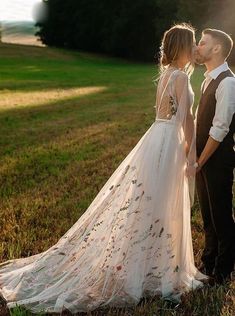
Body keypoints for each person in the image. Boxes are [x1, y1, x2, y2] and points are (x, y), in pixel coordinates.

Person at [0, 24, 206, 314]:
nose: (195, 48)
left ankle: (146, 267)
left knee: (151, 206)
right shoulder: (181, 78)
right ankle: (160, 273)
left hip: (156, 139)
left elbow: (164, 114)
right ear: (182, 46)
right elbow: (186, 121)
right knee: (163, 206)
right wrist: (190, 156)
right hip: (169, 142)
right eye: (192, 43)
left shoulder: (165, 75)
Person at [195, 28, 235, 284]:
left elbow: (219, 130)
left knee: (221, 214)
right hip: (203, 158)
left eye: (202, 43)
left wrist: (200, 161)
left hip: (218, 160)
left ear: (217, 48)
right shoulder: (207, 79)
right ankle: (208, 262)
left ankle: (223, 270)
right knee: (207, 215)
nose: (197, 47)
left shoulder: (228, 83)